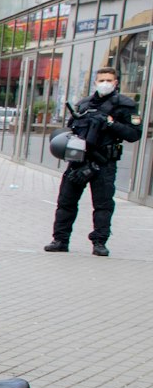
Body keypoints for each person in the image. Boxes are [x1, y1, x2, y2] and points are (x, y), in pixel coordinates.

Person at [46, 66, 141, 256]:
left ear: (115, 83)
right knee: (66, 201)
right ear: (95, 82)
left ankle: (99, 242)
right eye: (101, 80)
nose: (104, 83)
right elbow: (71, 129)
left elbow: (133, 134)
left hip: (104, 162)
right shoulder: (84, 104)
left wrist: (111, 123)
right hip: (79, 160)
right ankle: (60, 240)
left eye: (108, 80)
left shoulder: (125, 105)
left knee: (103, 204)